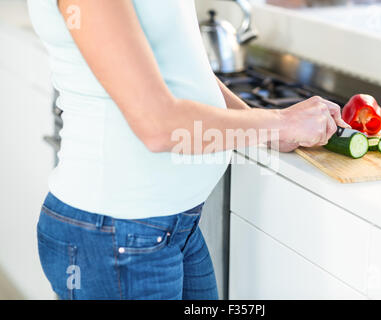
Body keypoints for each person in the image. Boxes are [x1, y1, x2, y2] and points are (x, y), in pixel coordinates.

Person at [27, 0, 349, 300]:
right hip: (115, 232)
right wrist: (280, 122)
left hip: (173, 225)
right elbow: (157, 126)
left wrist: (265, 131)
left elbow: (186, 69)